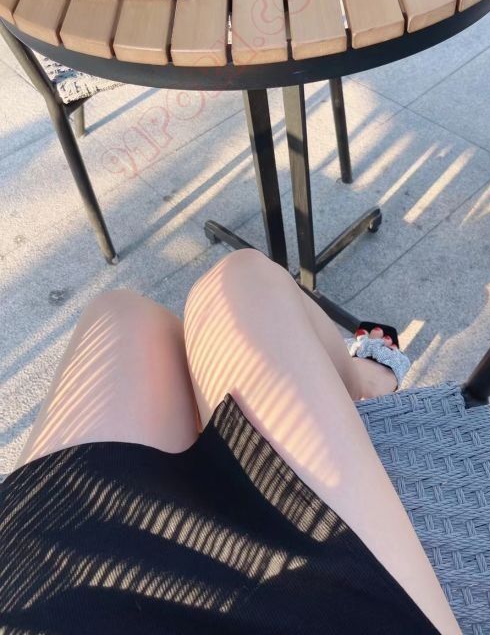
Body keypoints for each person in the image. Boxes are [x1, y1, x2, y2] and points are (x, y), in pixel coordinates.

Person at [0, 250, 461, 634]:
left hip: (51, 585)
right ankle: (363, 383)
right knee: (241, 279)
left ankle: (207, 442)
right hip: (313, 607)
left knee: (121, 313)